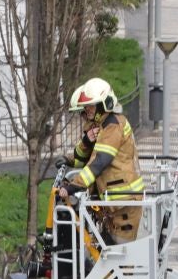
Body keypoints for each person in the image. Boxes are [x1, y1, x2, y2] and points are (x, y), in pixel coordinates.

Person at [51, 77, 145, 247]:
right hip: (115, 202)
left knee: (122, 258)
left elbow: (100, 162)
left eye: (90, 106)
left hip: (123, 203)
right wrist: (82, 146)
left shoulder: (112, 126)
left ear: (104, 104)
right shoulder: (103, 126)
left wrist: (73, 186)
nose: (86, 112)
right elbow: (85, 160)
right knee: (110, 254)